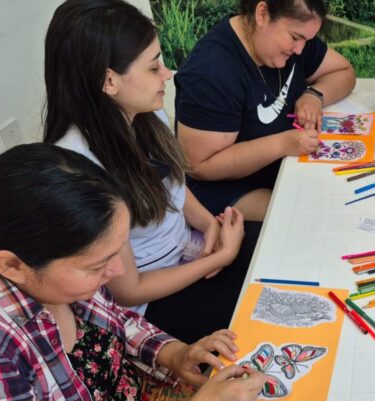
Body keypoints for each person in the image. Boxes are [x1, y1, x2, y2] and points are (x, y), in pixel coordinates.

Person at [0, 144, 266, 401]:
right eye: (98, 264)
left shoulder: (64, 281)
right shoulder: (0, 356)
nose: (119, 270)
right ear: (12, 265)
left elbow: (116, 320)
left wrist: (174, 355)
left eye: (120, 249)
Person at [43, 0, 259, 344]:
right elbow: (130, 290)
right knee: (264, 307)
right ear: (109, 81)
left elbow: (172, 184)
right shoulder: (79, 167)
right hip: (152, 303)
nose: (167, 74)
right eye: (153, 66)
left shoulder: (143, 111)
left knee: (277, 250)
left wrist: (209, 226)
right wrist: (222, 256)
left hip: (190, 251)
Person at [174, 0, 357, 221]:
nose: (300, 49)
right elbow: (199, 166)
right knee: (309, 216)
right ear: (262, 14)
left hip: (284, 168)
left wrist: (315, 95)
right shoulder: (210, 72)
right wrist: (282, 144)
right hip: (226, 190)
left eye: (306, 40)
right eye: (295, 38)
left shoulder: (293, 42)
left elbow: (345, 72)